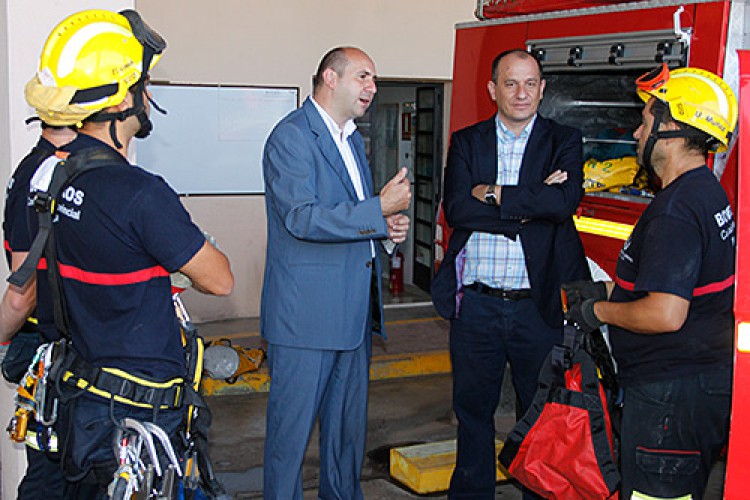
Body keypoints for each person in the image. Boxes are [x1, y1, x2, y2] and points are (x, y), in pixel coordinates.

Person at [16, 9, 234, 497]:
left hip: (85, 403)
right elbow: (221, 279)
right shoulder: (139, 193)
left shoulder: (54, 179)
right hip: (136, 419)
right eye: (144, 83)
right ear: (123, 97)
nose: (150, 96)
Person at [564, 64, 737, 499]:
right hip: (696, 386)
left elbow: (665, 313)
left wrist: (597, 311)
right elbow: (682, 288)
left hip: (668, 401)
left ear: (672, 127)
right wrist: (602, 290)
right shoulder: (707, 193)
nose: (638, 135)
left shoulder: (676, 211)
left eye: (645, 122)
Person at [430, 48, 589, 499]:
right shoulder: (467, 140)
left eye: (530, 83)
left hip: (535, 309)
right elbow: (458, 208)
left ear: (543, 89)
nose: (521, 93)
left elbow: (562, 205)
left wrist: (494, 194)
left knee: (538, 416)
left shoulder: (564, 139)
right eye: (511, 83)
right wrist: (527, 205)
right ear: (492, 89)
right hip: (476, 305)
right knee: (473, 415)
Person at [261, 46, 411, 499]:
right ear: (330, 77)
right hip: (305, 321)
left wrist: (384, 228)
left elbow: (351, 217)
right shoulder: (291, 137)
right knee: (289, 443)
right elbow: (302, 218)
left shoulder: (351, 142)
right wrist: (377, 209)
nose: (372, 88)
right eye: (363, 76)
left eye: (374, 80)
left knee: (346, 441)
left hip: (352, 318)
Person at [0, 122, 76, 500]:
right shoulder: (45, 177)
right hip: (50, 352)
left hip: (66, 354)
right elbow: (22, 293)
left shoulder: (51, 170)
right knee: (52, 478)